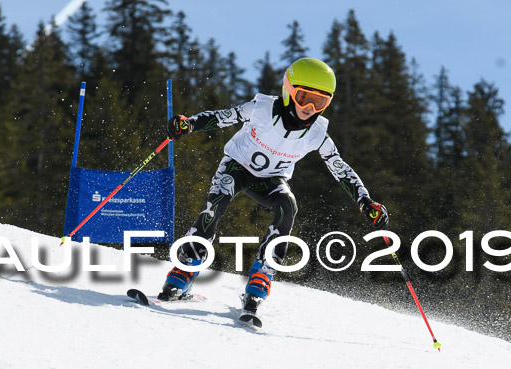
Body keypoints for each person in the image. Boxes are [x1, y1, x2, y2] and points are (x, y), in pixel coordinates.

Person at [159, 57, 389, 316]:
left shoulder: (317, 134)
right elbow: (224, 117)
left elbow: (339, 167)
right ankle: (186, 266)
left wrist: (365, 201)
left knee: (287, 205)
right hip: (237, 166)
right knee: (216, 204)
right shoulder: (261, 108)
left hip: (271, 179)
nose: (310, 107)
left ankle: (262, 274)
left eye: (320, 102)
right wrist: (188, 124)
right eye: (304, 97)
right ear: (289, 91)